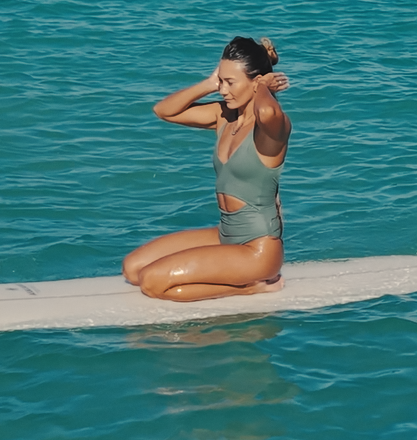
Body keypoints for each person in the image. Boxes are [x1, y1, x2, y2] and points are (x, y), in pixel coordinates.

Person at [123, 36, 291, 301]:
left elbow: (268, 113)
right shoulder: (222, 116)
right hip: (225, 234)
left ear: (256, 82)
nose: (224, 90)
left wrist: (264, 89)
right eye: (221, 81)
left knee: (152, 282)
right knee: (133, 269)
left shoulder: (271, 131)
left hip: (258, 249)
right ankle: (241, 277)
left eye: (230, 83)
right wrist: (209, 83)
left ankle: (253, 286)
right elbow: (164, 111)